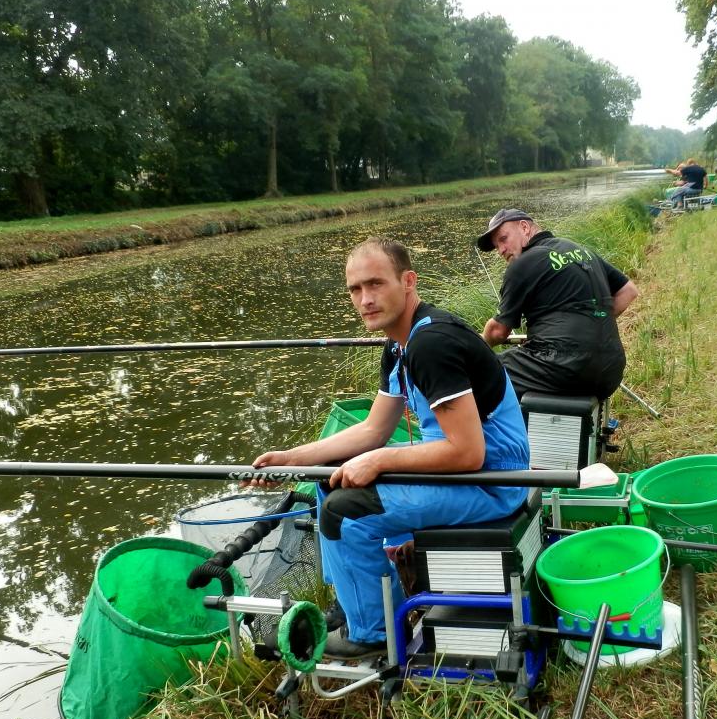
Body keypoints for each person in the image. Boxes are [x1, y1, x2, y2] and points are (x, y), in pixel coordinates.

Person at [253, 237, 530, 658]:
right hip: (461, 472)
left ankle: (375, 634)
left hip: (492, 480)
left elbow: (468, 452)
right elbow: (373, 430)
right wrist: (292, 458)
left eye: (376, 284)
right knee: (330, 484)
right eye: (355, 289)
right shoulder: (400, 344)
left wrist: (379, 460)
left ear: (408, 281)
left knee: (346, 515)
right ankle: (355, 607)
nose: (365, 299)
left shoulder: (431, 344)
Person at [477, 209, 638, 401]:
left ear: (524, 227)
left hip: (561, 367)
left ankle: (495, 431)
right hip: (611, 370)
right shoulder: (580, 250)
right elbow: (628, 291)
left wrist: (477, 344)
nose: (501, 250)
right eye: (497, 246)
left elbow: (498, 331)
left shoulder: (522, 264)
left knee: (482, 372)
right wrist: (592, 322)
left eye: (503, 238)